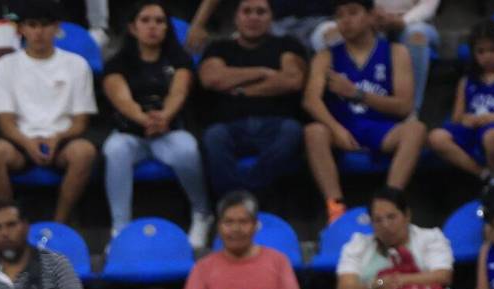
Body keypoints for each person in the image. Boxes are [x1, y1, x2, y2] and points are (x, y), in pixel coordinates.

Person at [302, 0, 427, 219]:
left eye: (352, 13)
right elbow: (310, 101)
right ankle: (335, 207)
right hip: (343, 127)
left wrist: (357, 94)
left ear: (370, 16)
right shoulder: (326, 56)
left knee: (416, 130)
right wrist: (336, 129)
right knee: (314, 132)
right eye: (340, 16)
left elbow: (405, 106)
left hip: (381, 127)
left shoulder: (396, 52)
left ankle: (390, 202)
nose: (346, 21)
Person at [100, 3, 211, 246]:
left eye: (160, 21)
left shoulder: (179, 60)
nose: (153, 26)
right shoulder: (117, 62)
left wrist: (164, 117)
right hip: (130, 133)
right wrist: (143, 119)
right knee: (114, 150)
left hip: (169, 131)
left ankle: (202, 213)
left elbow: (179, 91)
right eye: (146, 20)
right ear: (132, 27)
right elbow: (120, 98)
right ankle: (120, 228)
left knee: (188, 149)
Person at [0, 0, 98, 223]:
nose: (39, 32)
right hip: (19, 140)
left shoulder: (77, 64)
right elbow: (5, 121)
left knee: (85, 152)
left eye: (45, 25)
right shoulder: (5, 65)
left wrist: (58, 137)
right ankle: (8, 220)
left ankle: (59, 223)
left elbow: (81, 121)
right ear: (21, 28)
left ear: (57, 28)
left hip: (63, 140)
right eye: (32, 25)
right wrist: (27, 142)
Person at [194, 0, 310, 198]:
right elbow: (211, 79)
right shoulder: (219, 47)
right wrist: (263, 72)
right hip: (230, 127)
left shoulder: (287, 45)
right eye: (246, 11)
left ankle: (243, 196)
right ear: (236, 18)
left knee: (293, 131)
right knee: (213, 136)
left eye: (260, 12)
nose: (253, 17)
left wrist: (240, 89)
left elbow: (292, 80)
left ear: (271, 18)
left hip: (276, 125)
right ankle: (238, 200)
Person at [428, 21, 494, 182]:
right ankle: (483, 174)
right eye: (481, 51)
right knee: (436, 137)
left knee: (492, 136)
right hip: (473, 129)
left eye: (493, 50)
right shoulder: (466, 81)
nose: (487, 56)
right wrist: (468, 119)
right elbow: (457, 117)